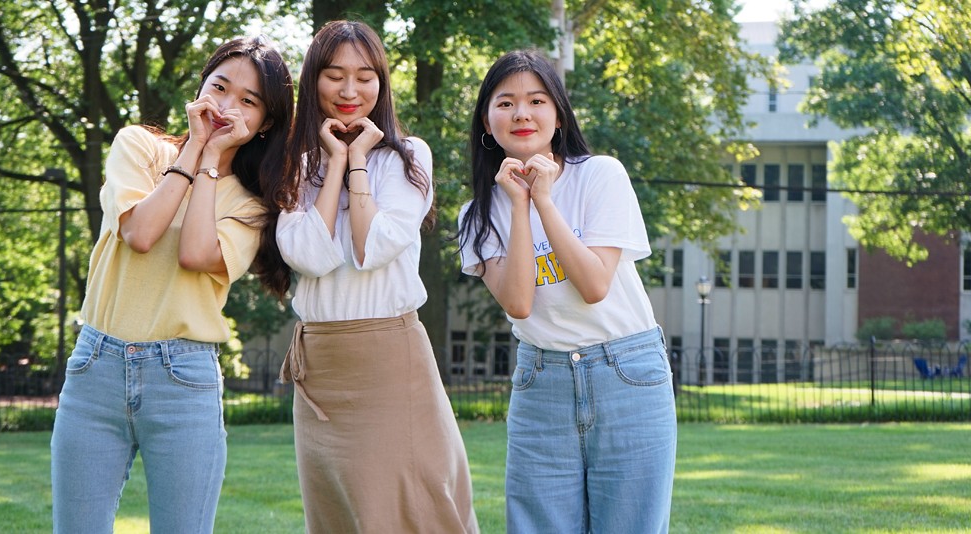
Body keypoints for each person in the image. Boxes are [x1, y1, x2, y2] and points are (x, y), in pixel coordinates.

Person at [50, 36, 294, 534]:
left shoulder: (253, 205)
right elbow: (140, 232)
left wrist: (209, 159)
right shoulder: (138, 146)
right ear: (199, 88)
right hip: (97, 366)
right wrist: (195, 150)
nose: (227, 106)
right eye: (219, 87)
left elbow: (194, 253)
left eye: (248, 101)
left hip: (184, 379)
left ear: (266, 122)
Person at [457, 50, 677, 533]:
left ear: (558, 116)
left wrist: (544, 200)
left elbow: (595, 283)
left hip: (628, 375)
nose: (521, 113)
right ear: (485, 121)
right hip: (543, 382)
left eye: (536, 100)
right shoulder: (476, 215)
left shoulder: (601, 175)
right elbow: (519, 302)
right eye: (505, 102)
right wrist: (518, 206)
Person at [275, 19, 478, 534]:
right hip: (318, 365)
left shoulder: (410, 158)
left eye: (365, 76)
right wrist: (333, 161)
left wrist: (358, 162)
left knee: (411, 507)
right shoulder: (296, 166)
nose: (349, 91)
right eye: (334, 75)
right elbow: (307, 255)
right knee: (335, 515)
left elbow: (374, 246)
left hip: (389, 356)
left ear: (382, 83)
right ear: (313, 79)